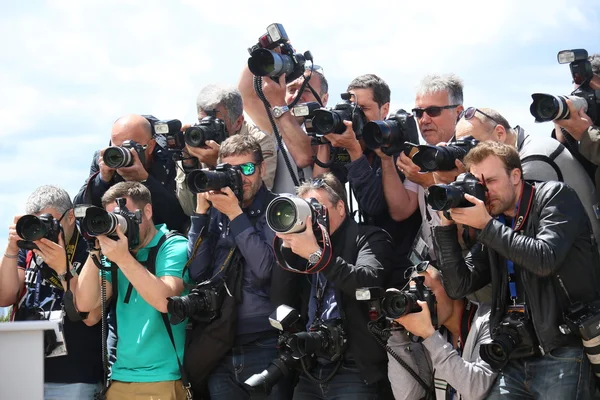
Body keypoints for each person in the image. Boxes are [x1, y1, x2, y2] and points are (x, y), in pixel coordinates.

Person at [432, 141, 598, 399]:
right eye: (478, 184)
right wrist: (445, 227)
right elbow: (458, 286)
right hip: (512, 353)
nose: (485, 192)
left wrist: (486, 226)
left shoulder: (554, 196)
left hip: (563, 349)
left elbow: (544, 258)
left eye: (492, 182)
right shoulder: (495, 222)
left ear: (516, 175)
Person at [275, 172, 395, 399]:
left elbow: (367, 284)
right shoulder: (305, 249)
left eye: (317, 210)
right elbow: (279, 298)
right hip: (311, 366)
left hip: (355, 368)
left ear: (341, 207)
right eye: (306, 213)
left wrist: (317, 256)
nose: (312, 220)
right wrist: (287, 248)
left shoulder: (369, 237)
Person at [186, 134, 283, 399]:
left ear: (262, 168)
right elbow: (196, 272)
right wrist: (201, 214)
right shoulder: (216, 211)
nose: (240, 178)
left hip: (266, 342)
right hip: (220, 344)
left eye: (247, 169)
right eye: (231, 171)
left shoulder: (278, 208)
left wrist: (236, 216)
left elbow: (265, 270)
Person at [76, 181, 191, 400]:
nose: (119, 227)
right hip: (120, 378)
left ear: (147, 211)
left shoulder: (172, 245)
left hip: (163, 378)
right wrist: (97, 247)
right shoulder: (119, 254)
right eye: (112, 219)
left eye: (123, 216)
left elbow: (166, 301)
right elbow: (84, 304)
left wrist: (123, 259)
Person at [314, 74, 421, 287]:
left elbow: (375, 206)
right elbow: (319, 189)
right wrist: (325, 140)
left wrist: (354, 150)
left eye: (363, 109)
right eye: (352, 109)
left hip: (401, 262)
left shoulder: (398, 144)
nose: (356, 116)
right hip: (365, 257)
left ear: (384, 109)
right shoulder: (352, 144)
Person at [0, 185, 103, 400]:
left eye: (49, 222)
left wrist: (63, 269)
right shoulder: (28, 250)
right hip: (24, 372)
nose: (42, 232)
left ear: (70, 217)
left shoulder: (90, 248)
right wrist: (11, 250)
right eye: (36, 223)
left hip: (73, 376)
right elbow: (5, 297)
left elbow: (91, 315)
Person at [453, 106, 600, 246]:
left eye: (472, 145)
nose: (469, 155)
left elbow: (521, 244)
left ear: (499, 133)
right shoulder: (526, 148)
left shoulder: (534, 159)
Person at [387, 264, 496, 400]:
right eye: (415, 295)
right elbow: (408, 396)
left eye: (426, 291)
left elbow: (475, 389)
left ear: (451, 288)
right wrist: (397, 336)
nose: (422, 303)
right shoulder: (429, 335)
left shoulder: (489, 319)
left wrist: (430, 337)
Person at [74, 114, 187, 232]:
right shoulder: (104, 159)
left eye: (130, 147)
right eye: (117, 148)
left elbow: (178, 218)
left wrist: (145, 180)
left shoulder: (169, 159)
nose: (121, 154)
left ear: (151, 146)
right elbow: (80, 213)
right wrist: (102, 180)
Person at [176, 84, 277, 216]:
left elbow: (256, 200)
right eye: (202, 122)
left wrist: (219, 162)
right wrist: (188, 163)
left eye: (216, 123)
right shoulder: (193, 140)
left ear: (238, 122)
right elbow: (189, 210)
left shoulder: (260, 142)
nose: (207, 128)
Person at [239, 63, 330, 194]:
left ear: (325, 99)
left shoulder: (332, 129)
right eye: (292, 90)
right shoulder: (277, 123)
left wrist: (278, 104)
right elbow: (246, 94)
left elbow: (304, 156)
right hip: (277, 212)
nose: (297, 96)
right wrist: (264, 52)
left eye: (306, 90)